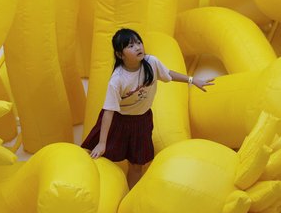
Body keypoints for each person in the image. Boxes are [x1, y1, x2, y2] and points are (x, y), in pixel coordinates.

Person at [81, 28, 214, 188]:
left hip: (141, 121)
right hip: (118, 121)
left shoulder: (151, 62)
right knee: (101, 157)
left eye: (138, 42)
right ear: (120, 55)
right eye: (130, 46)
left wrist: (192, 80)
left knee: (137, 164)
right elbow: (109, 111)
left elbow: (168, 74)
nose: (137, 47)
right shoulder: (117, 80)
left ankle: (129, 196)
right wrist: (102, 143)